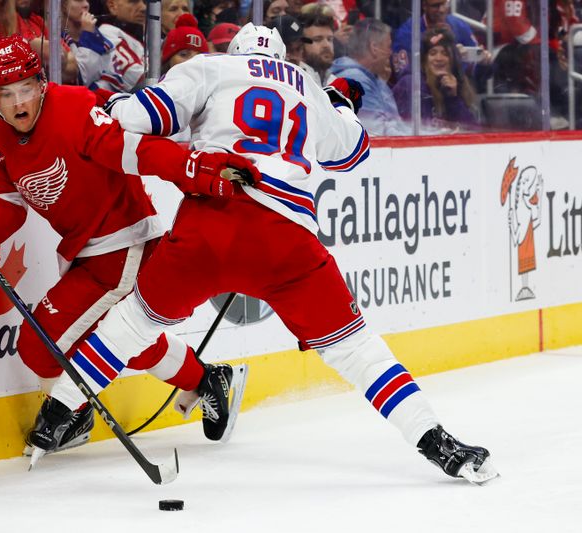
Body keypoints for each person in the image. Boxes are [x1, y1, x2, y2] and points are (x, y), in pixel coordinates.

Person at [62, 23, 498, 484]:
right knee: (357, 350)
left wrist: (111, 103)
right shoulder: (305, 85)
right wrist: (338, 101)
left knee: (134, 323)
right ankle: (435, 440)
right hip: (285, 239)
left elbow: (142, 117)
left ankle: (59, 409)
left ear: (235, 50)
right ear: (282, 57)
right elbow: (352, 152)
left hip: (211, 223)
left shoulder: (211, 66)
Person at [0, 35, 257, 463]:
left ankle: (72, 412)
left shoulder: (74, 107)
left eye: (26, 90)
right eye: (6, 94)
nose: (19, 104)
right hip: (83, 250)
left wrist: (195, 171)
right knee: (126, 341)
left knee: (40, 345)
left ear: (42, 84)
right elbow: (6, 199)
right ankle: (207, 381)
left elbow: (133, 151)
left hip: (125, 238)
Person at [331, 18, 410, 136]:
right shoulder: (355, 80)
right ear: (374, 48)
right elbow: (377, 134)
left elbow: (395, 124)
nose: (390, 53)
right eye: (388, 47)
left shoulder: (373, 79)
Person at [392, 28, 477, 131]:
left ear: (452, 60)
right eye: (433, 53)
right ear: (424, 60)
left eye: (445, 53)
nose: (439, 58)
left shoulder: (456, 83)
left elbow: (471, 130)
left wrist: (453, 98)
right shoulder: (411, 84)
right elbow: (417, 132)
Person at [61, 0, 114, 87]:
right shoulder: (56, 39)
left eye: (87, 0)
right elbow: (82, 77)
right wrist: (88, 35)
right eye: (79, 1)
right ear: (62, 5)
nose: (86, 5)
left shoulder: (97, 33)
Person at [95, 0, 146, 91]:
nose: (144, 8)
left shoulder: (143, 36)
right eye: (133, 2)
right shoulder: (106, 34)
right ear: (112, 6)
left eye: (144, 2)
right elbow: (140, 80)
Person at [301, 11, 337, 87]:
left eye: (330, 39)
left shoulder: (335, 82)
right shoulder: (296, 81)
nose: (326, 45)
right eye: (317, 39)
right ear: (301, 45)